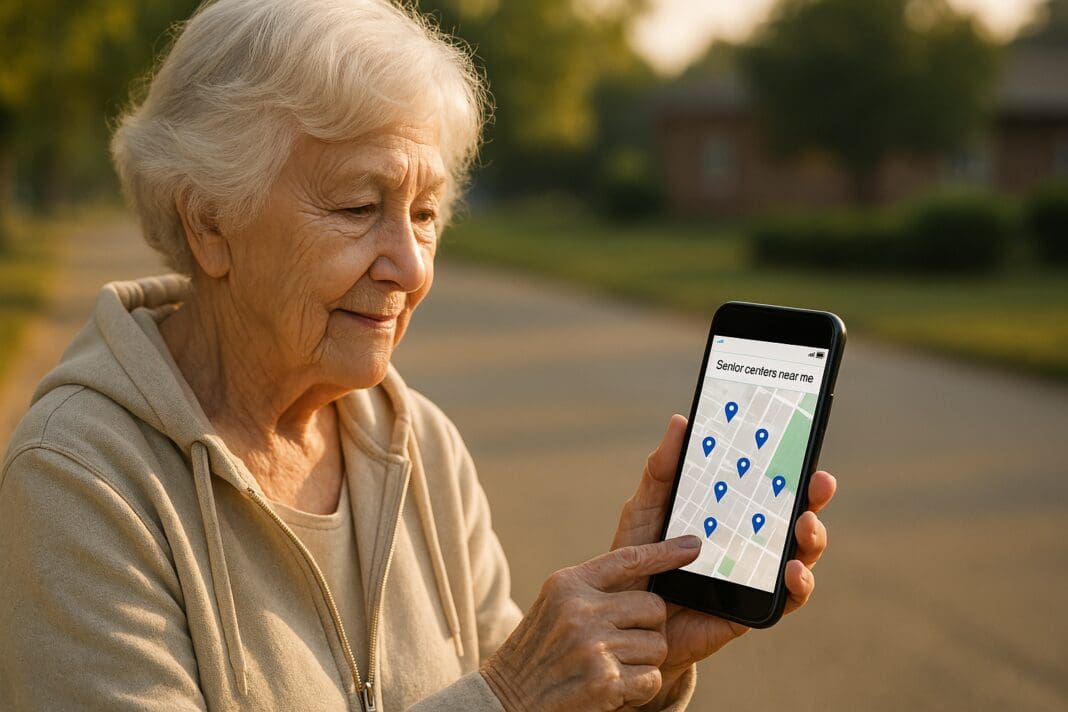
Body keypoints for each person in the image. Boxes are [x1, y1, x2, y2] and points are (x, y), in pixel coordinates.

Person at [0, 1, 835, 710]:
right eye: (360, 206)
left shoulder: (420, 440)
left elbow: (527, 692)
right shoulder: (78, 479)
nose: (410, 266)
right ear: (209, 224)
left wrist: (637, 656)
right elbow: (505, 693)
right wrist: (504, 696)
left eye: (427, 213)